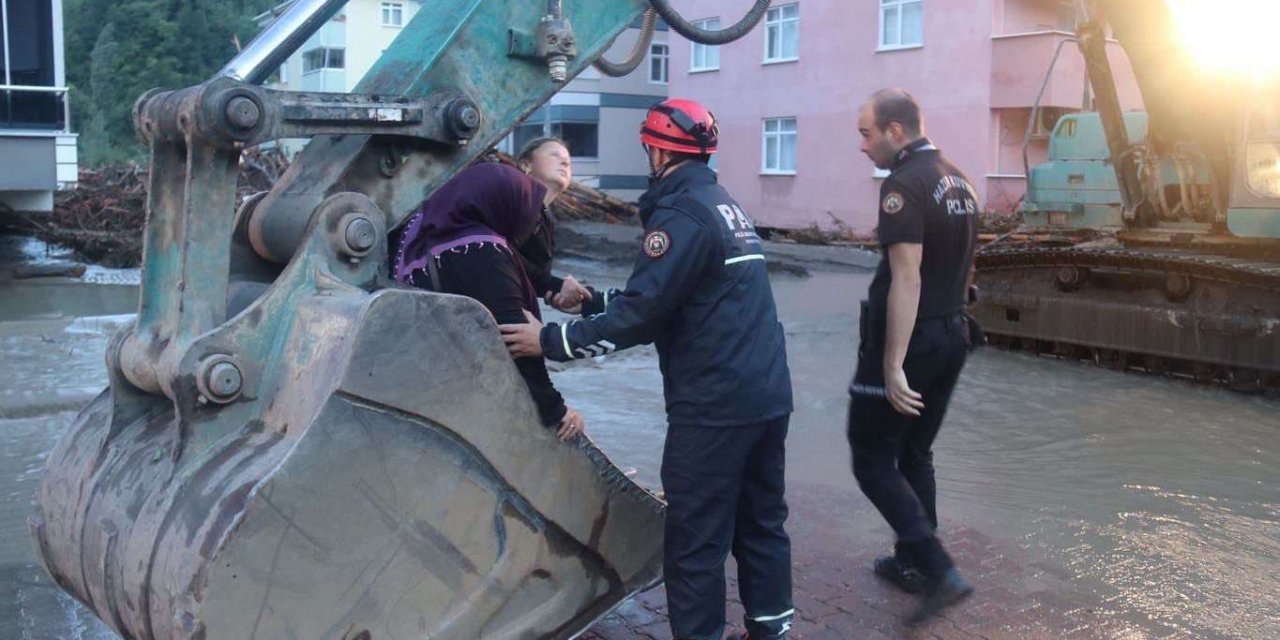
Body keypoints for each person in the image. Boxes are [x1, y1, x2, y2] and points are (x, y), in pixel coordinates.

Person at [499, 98, 795, 640]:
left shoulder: (679, 217)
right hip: (767, 395)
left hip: (714, 406)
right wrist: (592, 303)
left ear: (657, 152)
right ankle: (772, 630)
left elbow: (641, 317)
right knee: (761, 524)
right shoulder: (724, 205)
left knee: (695, 539)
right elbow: (684, 297)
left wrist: (550, 340)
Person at [848, 88, 977, 624]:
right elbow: (967, 263)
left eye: (866, 132)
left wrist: (892, 364)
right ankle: (912, 565)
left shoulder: (903, 186)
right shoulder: (957, 179)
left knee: (871, 456)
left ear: (895, 131)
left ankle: (938, 569)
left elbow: (907, 280)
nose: (862, 144)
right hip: (954, 334)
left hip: (914, 340)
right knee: (915, 452)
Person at [392, 162, 584, 441]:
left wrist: (553, 286)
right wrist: (556, 411)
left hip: (418, 377)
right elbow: (516, 336)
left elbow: (510, 269)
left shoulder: (422, 232)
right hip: (465, 397)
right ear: (502, 201)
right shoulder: (483, 250)